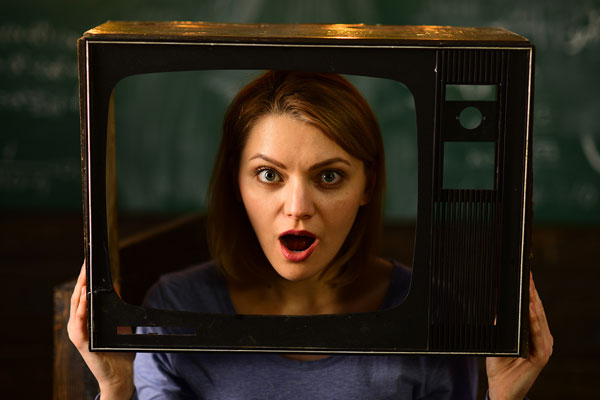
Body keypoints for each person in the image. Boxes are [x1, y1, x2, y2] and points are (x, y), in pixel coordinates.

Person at [68, 71, 553, 399]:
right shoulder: (175, 307)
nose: (297, 209)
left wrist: (504, 397)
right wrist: (115, 391)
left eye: (329, 177)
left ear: (368, 186)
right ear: (235, 183)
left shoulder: (432, 314)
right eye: (268, 175)